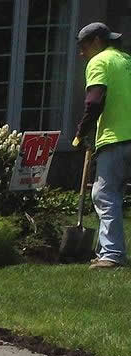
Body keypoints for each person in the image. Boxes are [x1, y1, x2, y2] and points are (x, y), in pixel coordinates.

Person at [75, 22, 131, 268]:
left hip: (116, 138)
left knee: (104, 194)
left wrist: (81, 133)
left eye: (83, 46)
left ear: (97, 41)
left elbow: (95, 102)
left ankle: (112, 254)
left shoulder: (99, 62)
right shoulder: (127, 61)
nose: (81, 53)